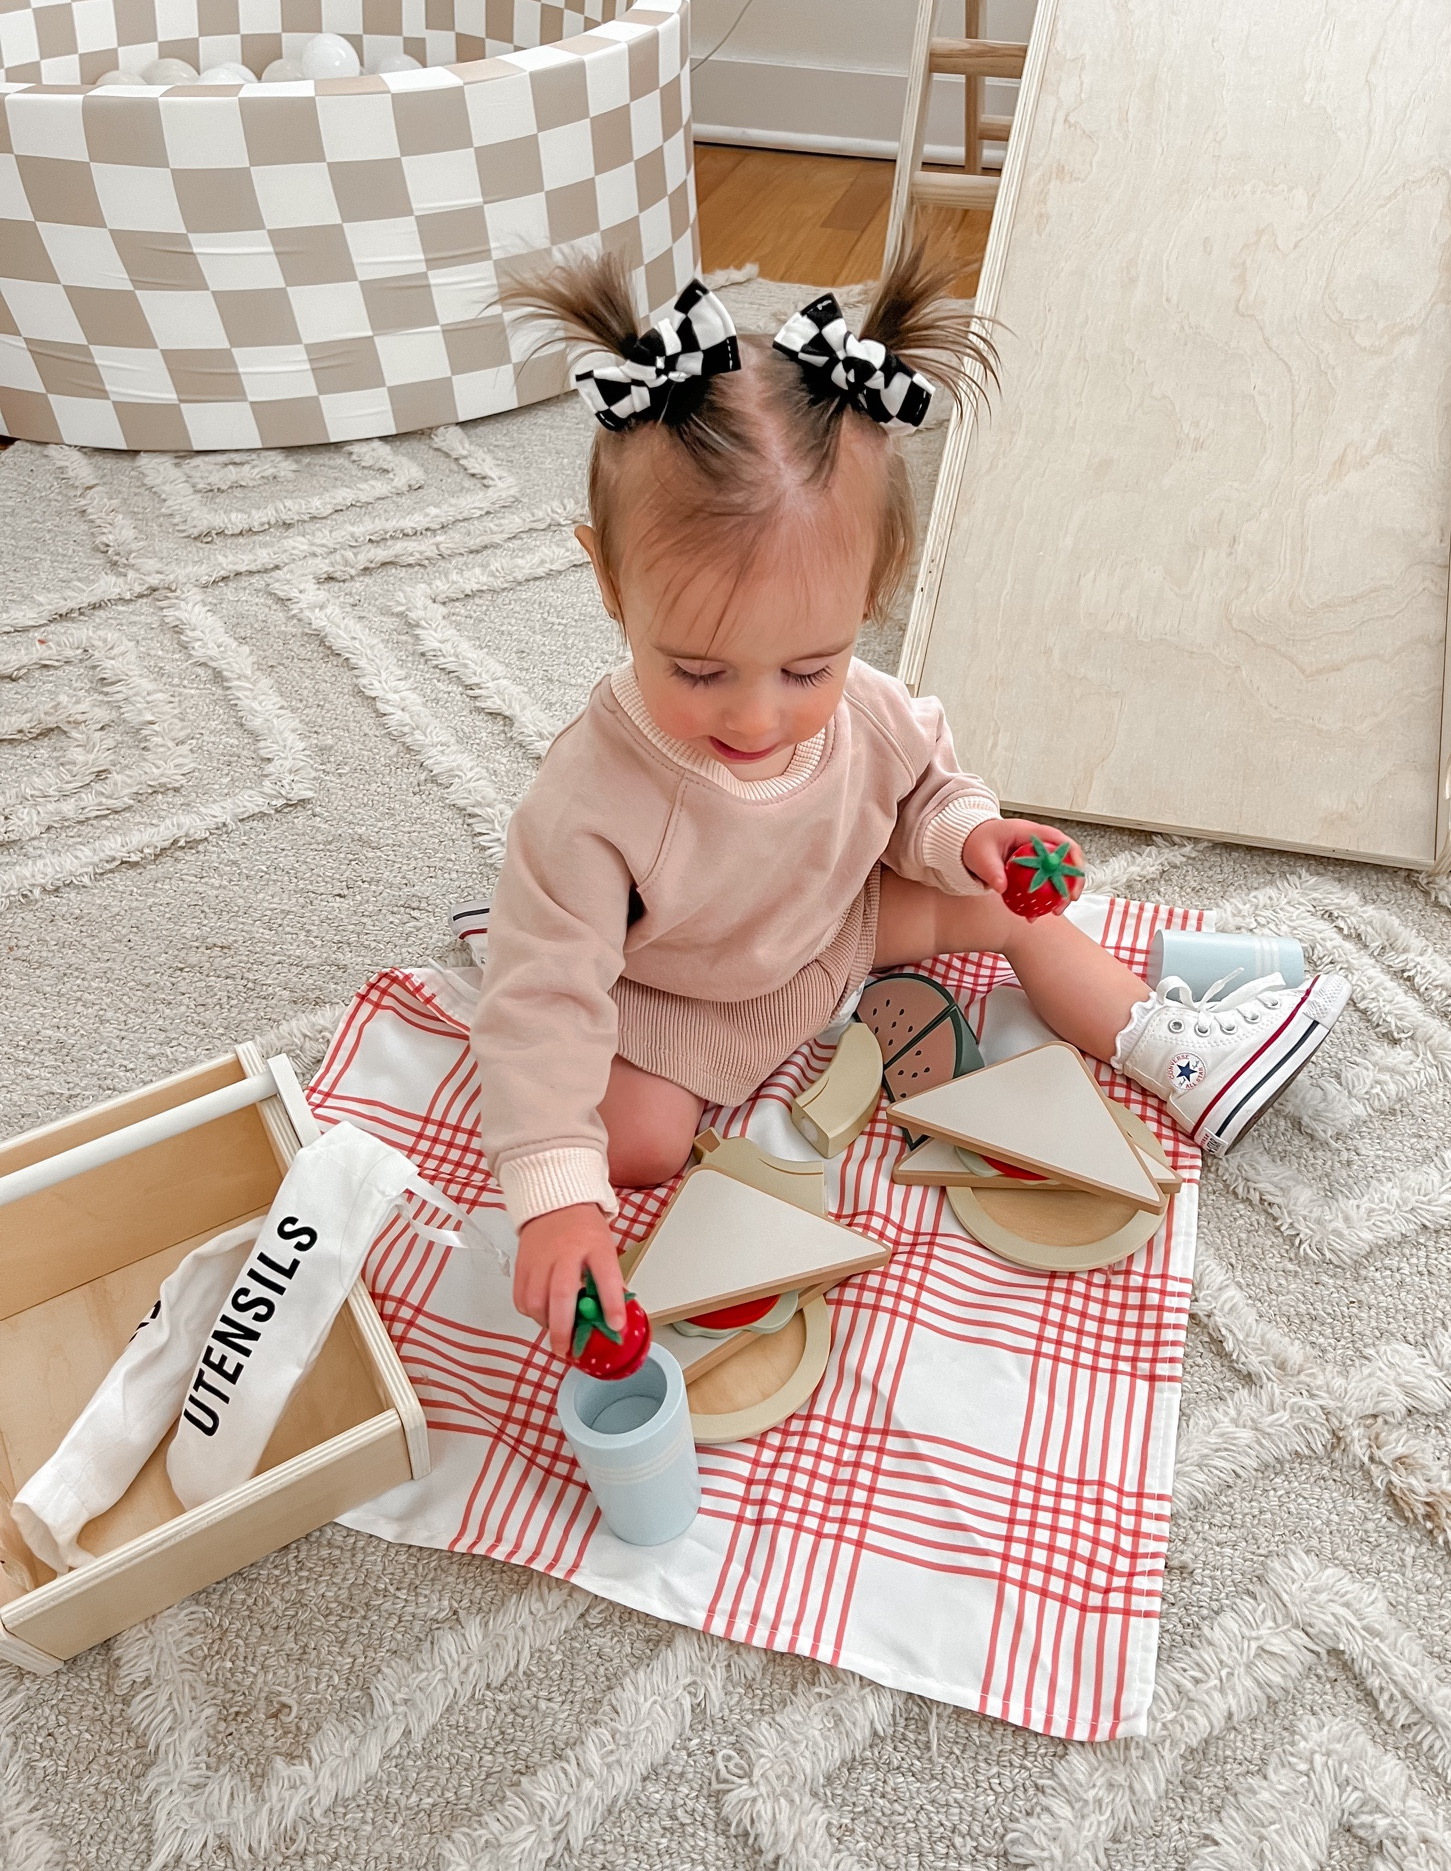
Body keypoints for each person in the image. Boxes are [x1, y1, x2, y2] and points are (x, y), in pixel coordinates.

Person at [472, 249, 1349, 1351]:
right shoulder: (591, 801)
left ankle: (1162, 1038)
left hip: (839, 925)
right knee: (633, 1144)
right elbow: (544, 1002)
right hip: (684, 992)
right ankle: (515, 932)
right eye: (698, 670)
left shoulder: (868, 707)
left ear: (870, 599)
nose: (756, 719)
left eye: (806, 668)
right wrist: (557, 1195)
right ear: (607, 583)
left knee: (1022, 912)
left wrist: (975, 837)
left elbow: (928, 786)